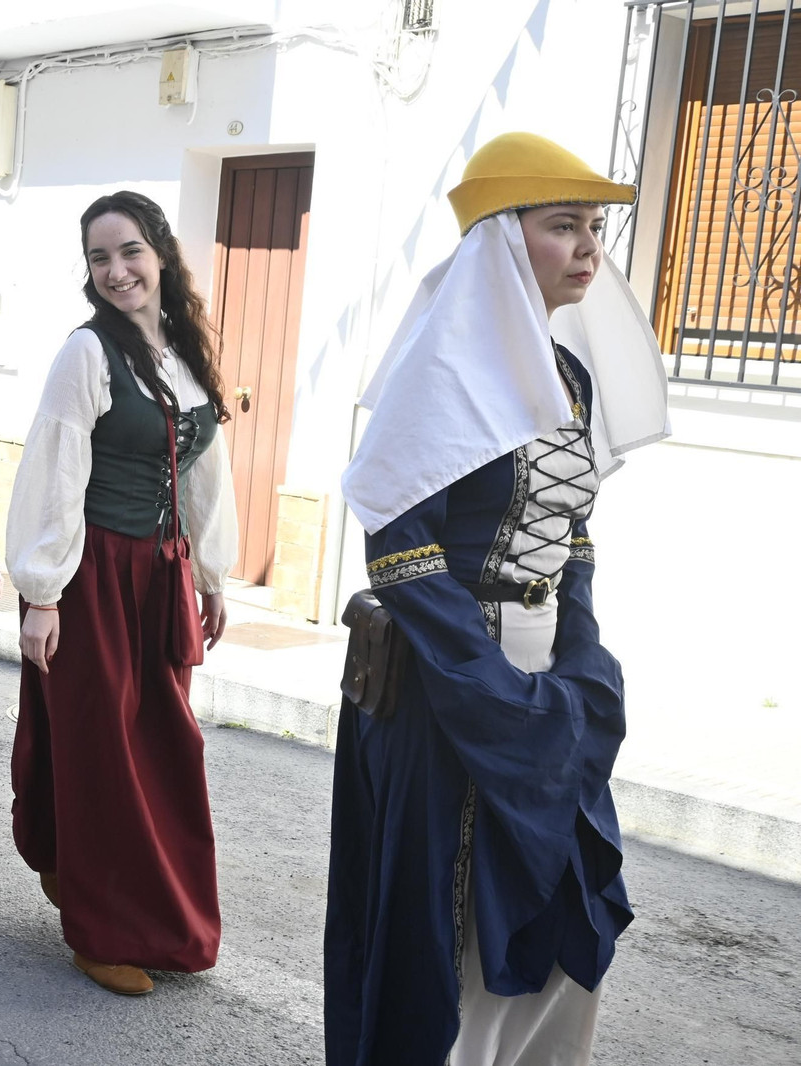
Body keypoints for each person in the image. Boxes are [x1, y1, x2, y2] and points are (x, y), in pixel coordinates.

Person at [324, 132, 672, 1065]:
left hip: (547, 676)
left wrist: (580, 659)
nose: (591, 247)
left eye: (595, 226)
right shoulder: (441, 371)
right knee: (455, 913)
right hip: (452, 682)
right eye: (565, 225)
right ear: (499, 241)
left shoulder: (569, 374)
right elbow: (399, 540)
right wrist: (487, 686)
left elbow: (574, 531)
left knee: (560, 893)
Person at [6, 191, 238, 996]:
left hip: (162, 576)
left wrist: (210, 571)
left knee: (166, 748)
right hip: (98, 573)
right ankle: (100, 927)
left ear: (162, 255)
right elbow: (56, 471)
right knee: (103, 750)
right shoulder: (86, 353)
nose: (116, 271)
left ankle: (123, 898)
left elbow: (206, 470)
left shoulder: (182, 350)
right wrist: (43, 594)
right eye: (100, 258)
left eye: (130, 252)